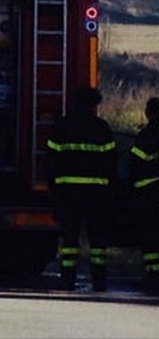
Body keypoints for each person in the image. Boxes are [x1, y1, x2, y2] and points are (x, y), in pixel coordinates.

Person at [47, 87, 116, 292]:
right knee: (98, 243)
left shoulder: (61, 127)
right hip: (97, 196)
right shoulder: (102, 128)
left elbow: (51, 161)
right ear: (93, 105)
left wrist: (54, 189)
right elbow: (111, 164)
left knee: (69, 241)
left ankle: (67, 281)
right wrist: (111, 192)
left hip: (68, 194)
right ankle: (99, 282)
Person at [129, 97, 159, 293]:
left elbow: (136, 164)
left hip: (150, 196)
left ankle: (153, 278)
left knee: (151, 240)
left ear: (150, 113)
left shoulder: (147, 135)